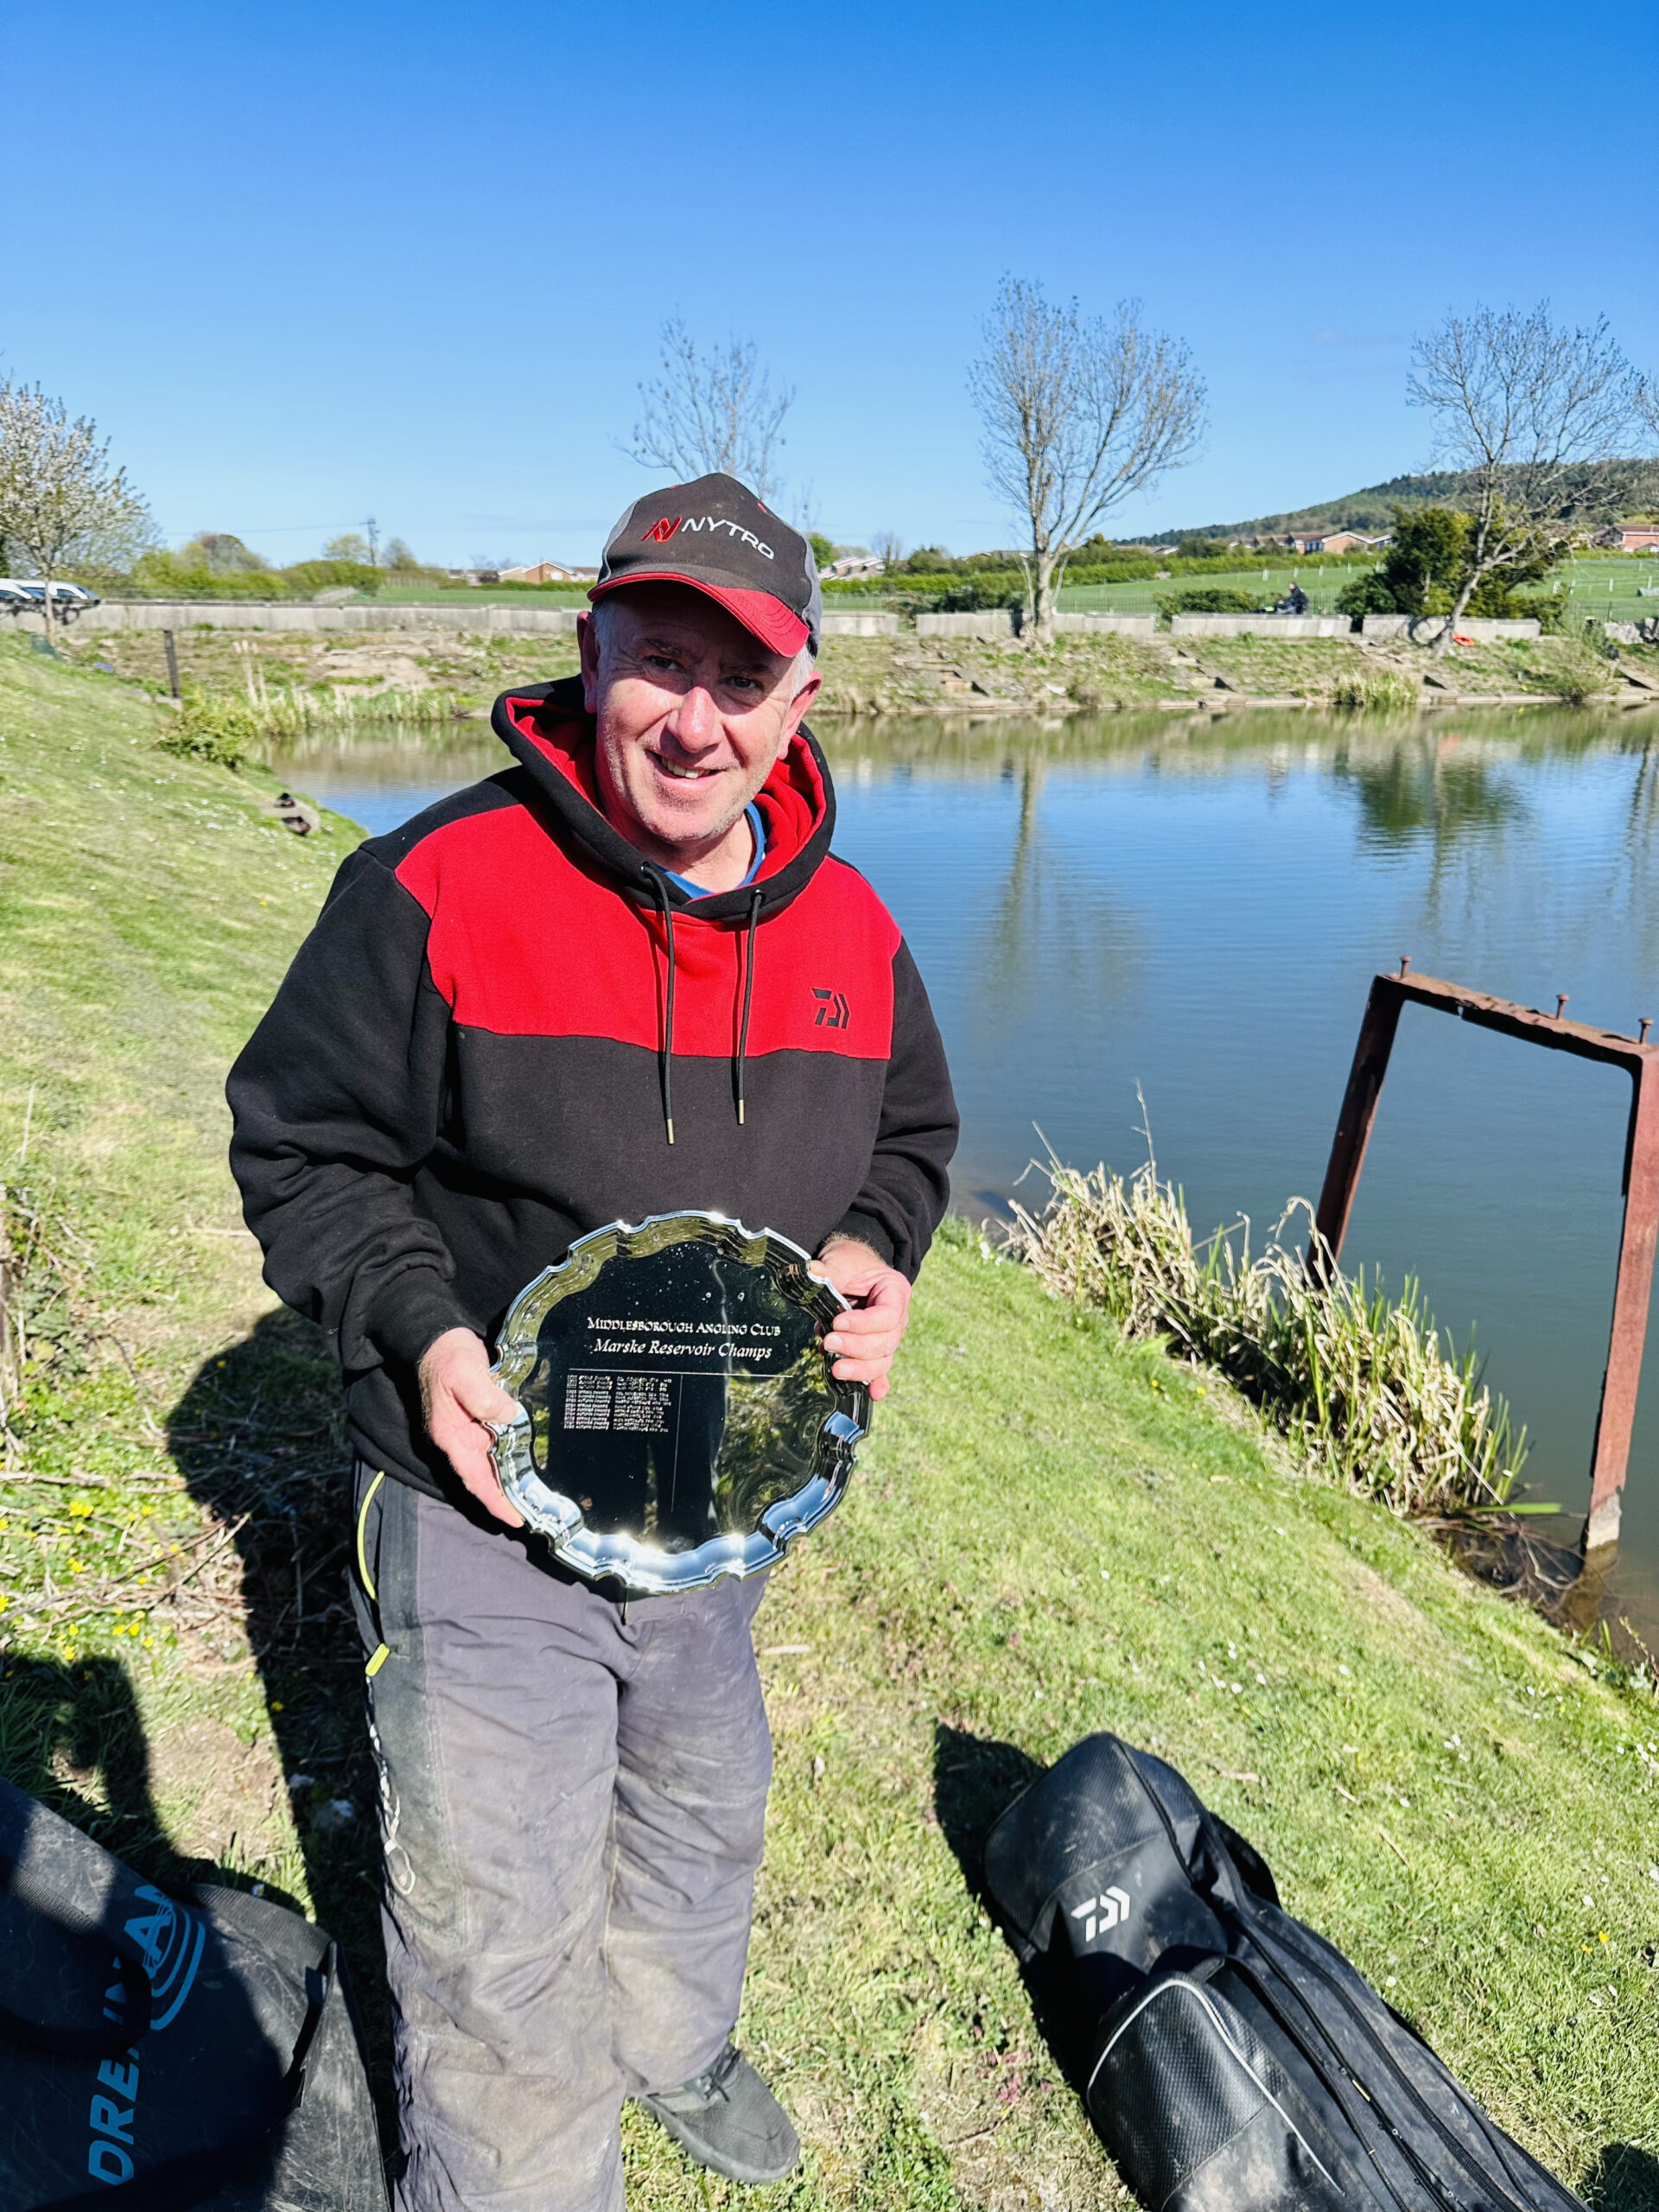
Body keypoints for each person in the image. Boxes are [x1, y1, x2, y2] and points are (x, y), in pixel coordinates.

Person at [226, 474, 958, 2212]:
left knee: (706, 1801)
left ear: (802, 703)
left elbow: (914, 1138)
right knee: (497, 1902)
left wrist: (881, 1248)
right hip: (480, 1495)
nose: (693, 719)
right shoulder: (430, 885)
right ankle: (521, 2175)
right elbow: (303, 1150)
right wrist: (420, 1332)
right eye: (658, 658)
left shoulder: (856, 929)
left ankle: (674, 2043)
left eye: (741, 675)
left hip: (720, 1509)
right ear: (587, 651)